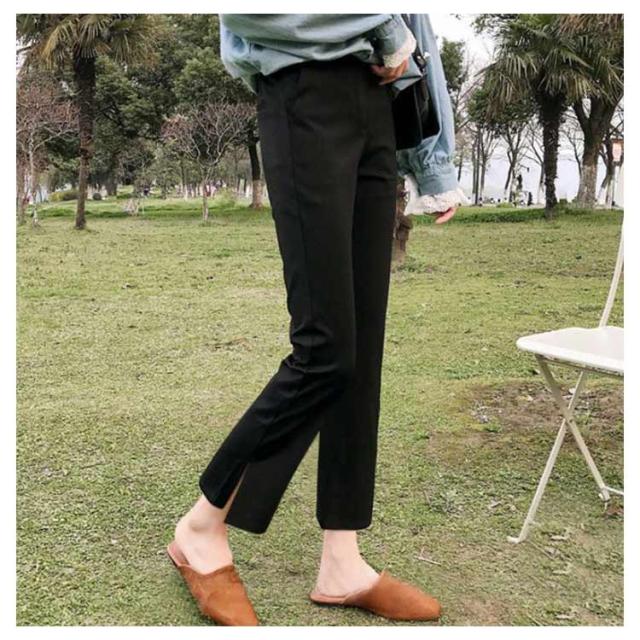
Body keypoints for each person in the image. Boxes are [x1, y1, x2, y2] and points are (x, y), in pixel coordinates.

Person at [167, 14, 464, 626]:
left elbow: (415, 23)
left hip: (379, 101)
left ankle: (342, 561)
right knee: (325, 348)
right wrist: (386, 30)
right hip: (303, 90)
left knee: (361, 350)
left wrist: (433, 160)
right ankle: (200, 526)